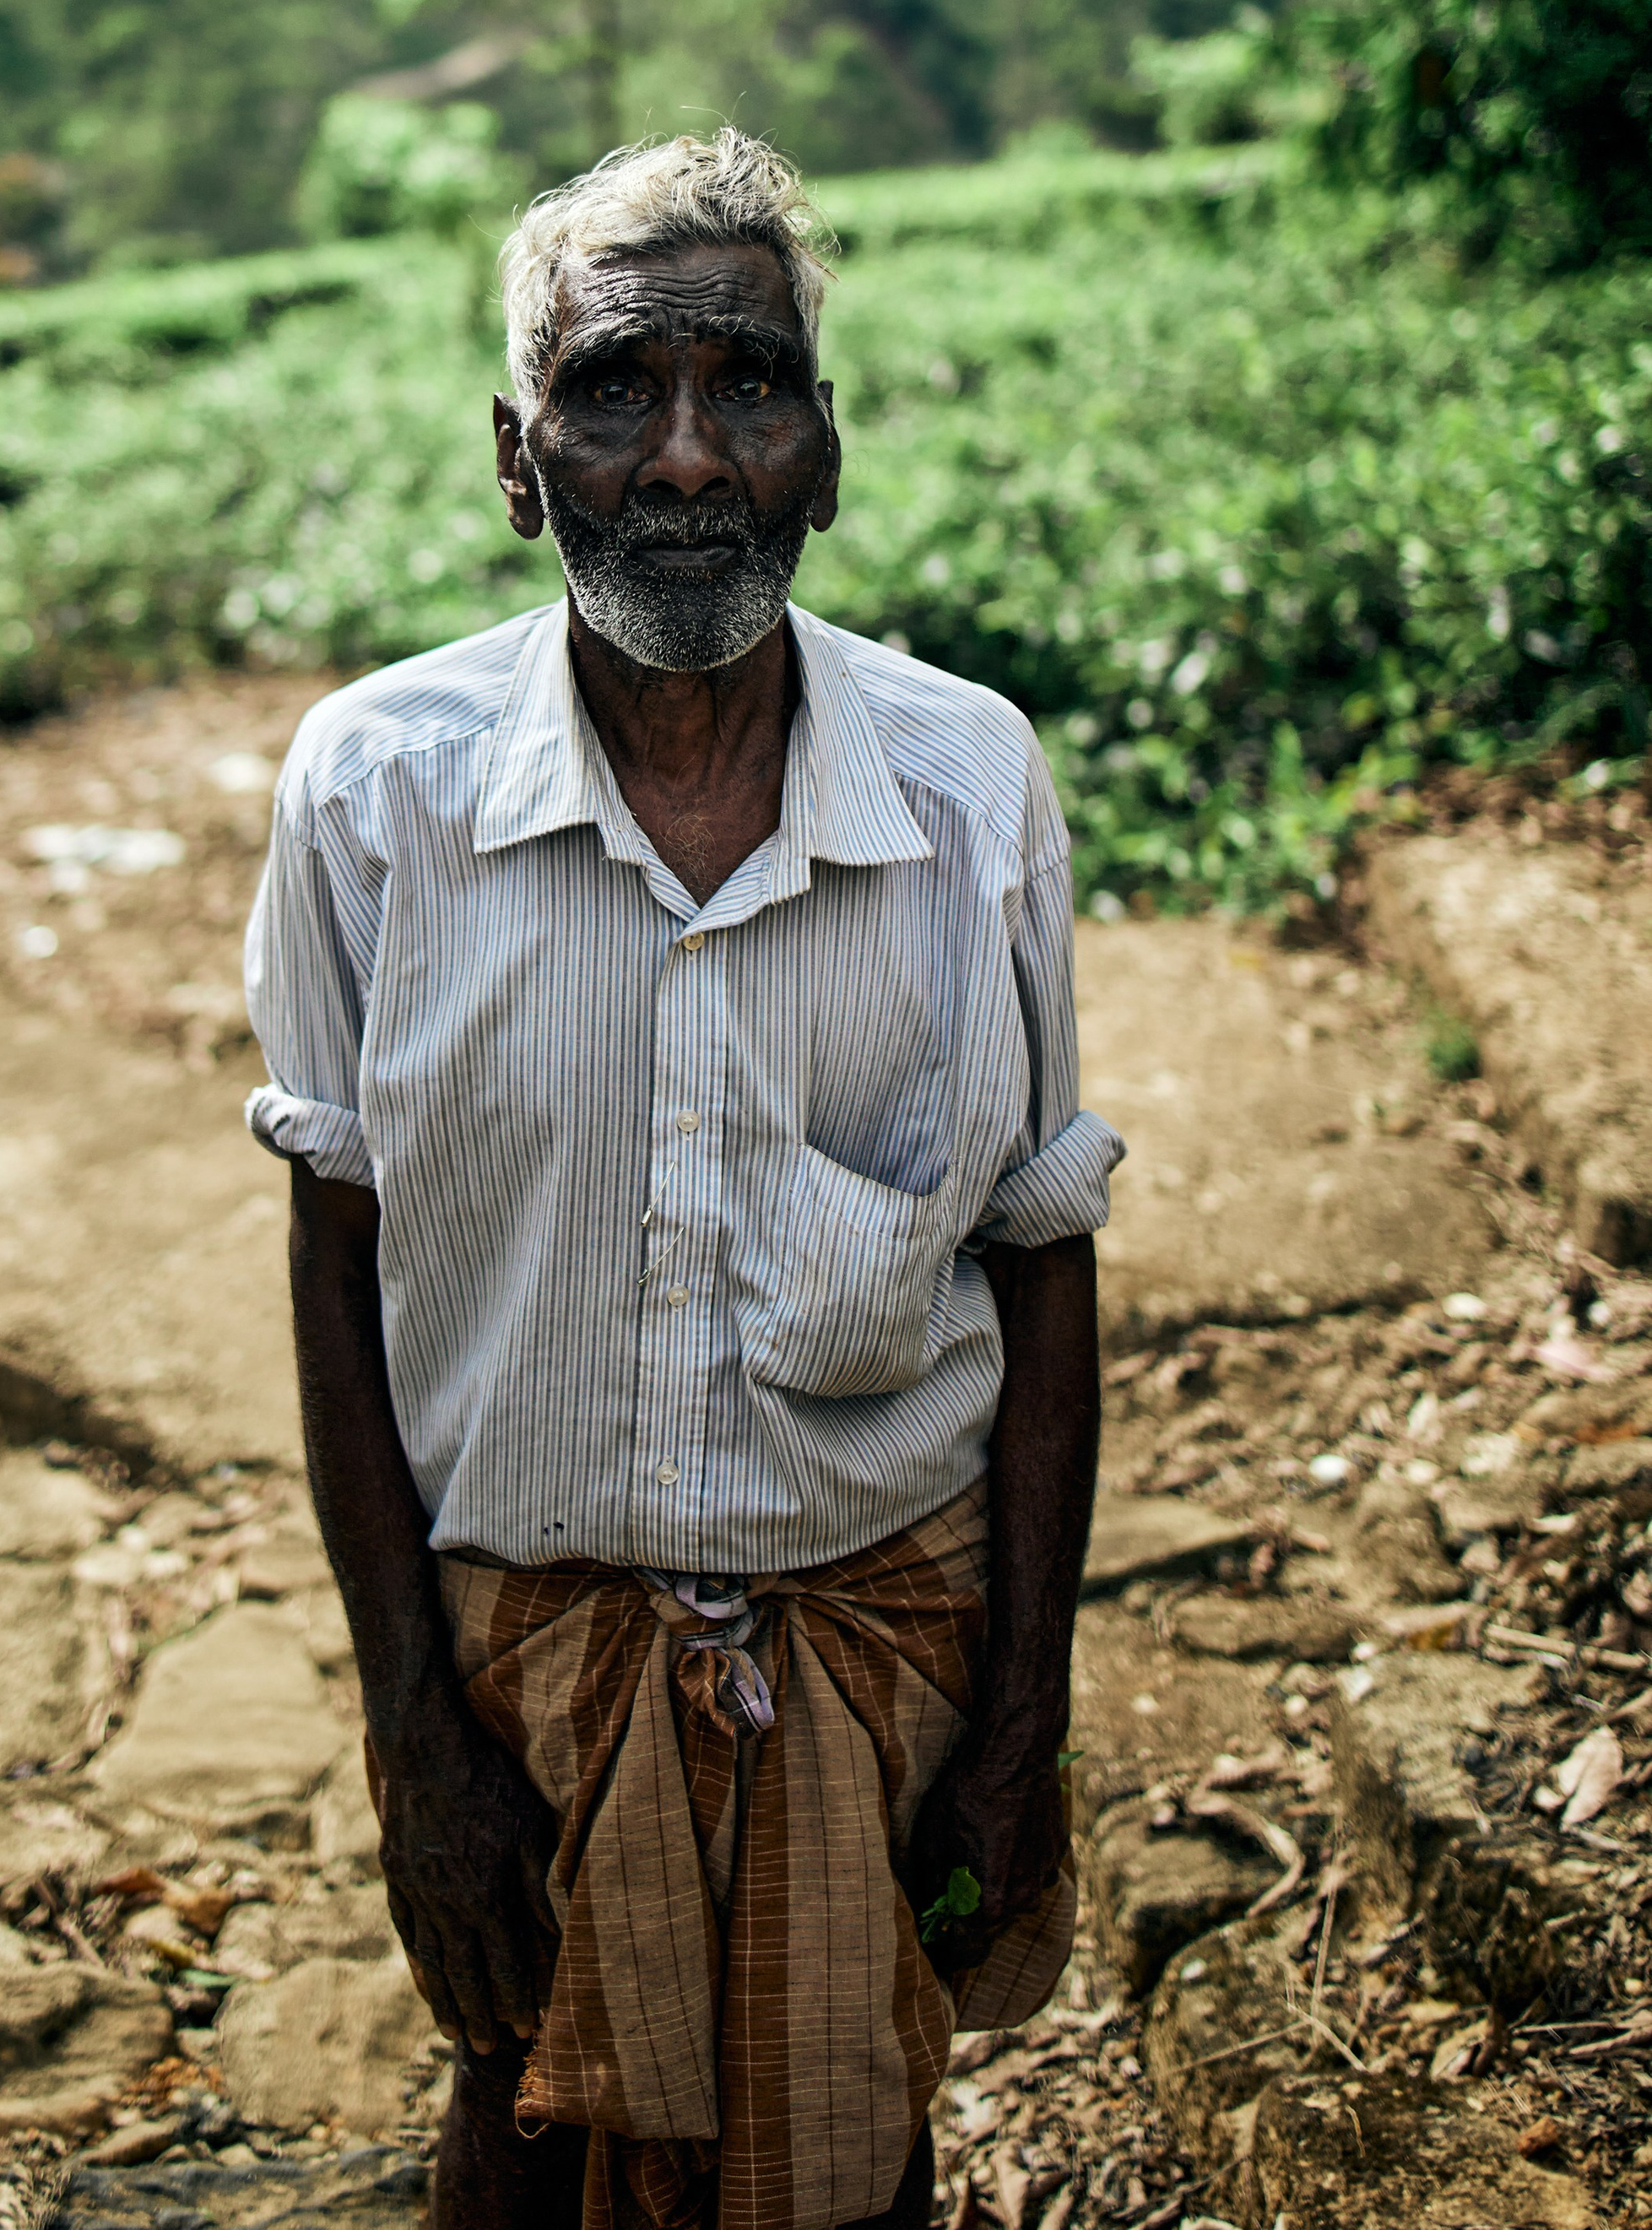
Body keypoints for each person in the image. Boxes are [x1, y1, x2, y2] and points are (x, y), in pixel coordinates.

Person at [245, 132, 1121, 2230]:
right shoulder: (378, 790)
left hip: (877, 1650)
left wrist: (1020, 1715)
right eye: (615, 389)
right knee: (517, 2136)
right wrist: (413, 1744)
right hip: (519, 1675)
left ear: (825, 454)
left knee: (857, 2160)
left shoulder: (967, 785)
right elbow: (334, 1257)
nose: (687, 455)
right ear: (514, 454)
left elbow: (1040, 1257)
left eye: (748, 386)